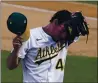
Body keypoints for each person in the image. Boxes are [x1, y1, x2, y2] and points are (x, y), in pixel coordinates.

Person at [7, 10, 89, 83]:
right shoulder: (30, 38)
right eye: (63, 31)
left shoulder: (65, 37)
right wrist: (16, 50)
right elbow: (10, 66)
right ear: (56, 22)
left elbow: (78, 21)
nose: (64, 36)